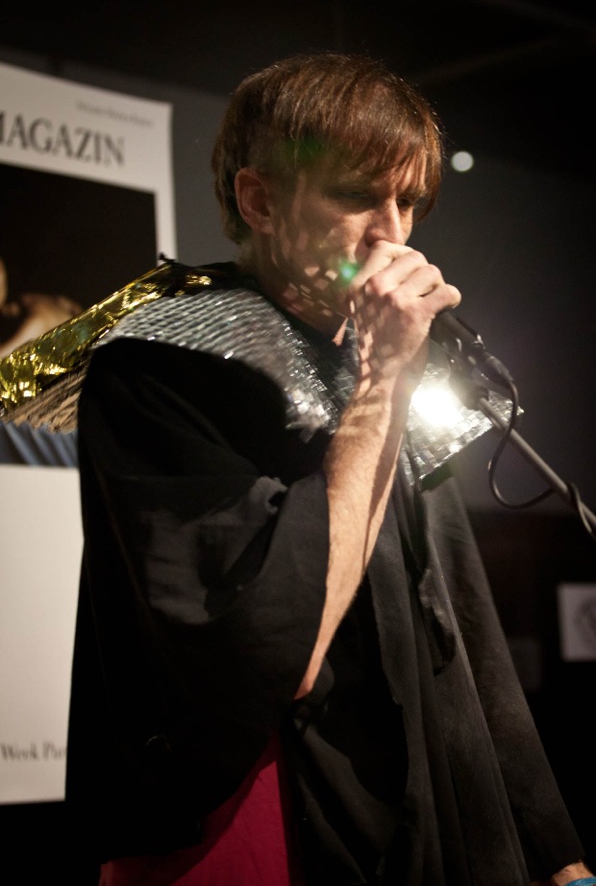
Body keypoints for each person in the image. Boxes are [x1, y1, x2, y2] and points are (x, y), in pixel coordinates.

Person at [63, 52, 594, 886]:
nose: (392, 233)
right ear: (259, 200)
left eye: (408, 201)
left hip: (419, 822)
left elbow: (461, 625)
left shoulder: (385, 365)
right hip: (262, 833)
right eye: (357, 195)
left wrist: (556, 851)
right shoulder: (159, 369)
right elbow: (281, 650)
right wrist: (381, 385)